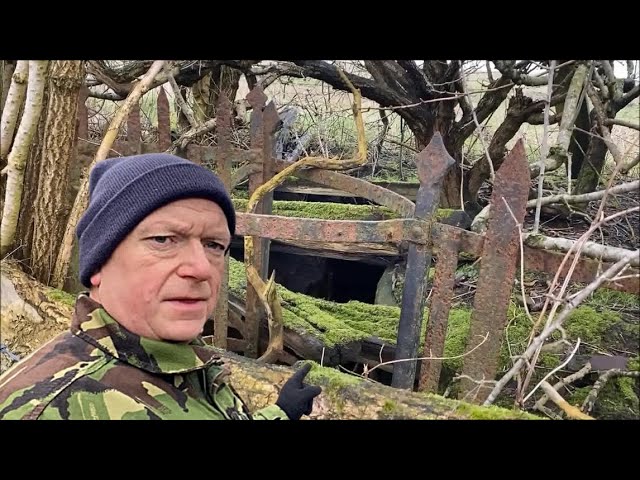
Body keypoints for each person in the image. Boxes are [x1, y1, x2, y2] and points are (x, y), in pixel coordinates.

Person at [0, 153, 321, 420]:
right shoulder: (47, 408)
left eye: (214, 245)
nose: (200, 268)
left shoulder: (178, 363)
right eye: (164, 240)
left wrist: (279, 413)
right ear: (99, 263)